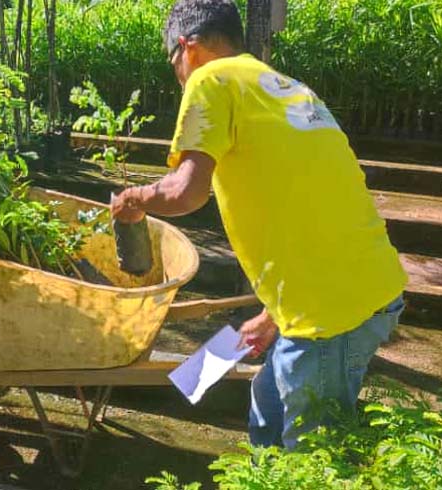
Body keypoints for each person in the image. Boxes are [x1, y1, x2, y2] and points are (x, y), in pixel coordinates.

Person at [110, 0, 408, 449]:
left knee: (309, 455)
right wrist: (271, 318)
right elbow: (307, 209)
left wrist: (134, 199)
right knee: (267, 409)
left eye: (172, 59)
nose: (176, 72)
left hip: (330, 315)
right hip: (363, 289)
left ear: (187, 47)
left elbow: (186, 192)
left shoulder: (210, 78)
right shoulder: (286, 88)